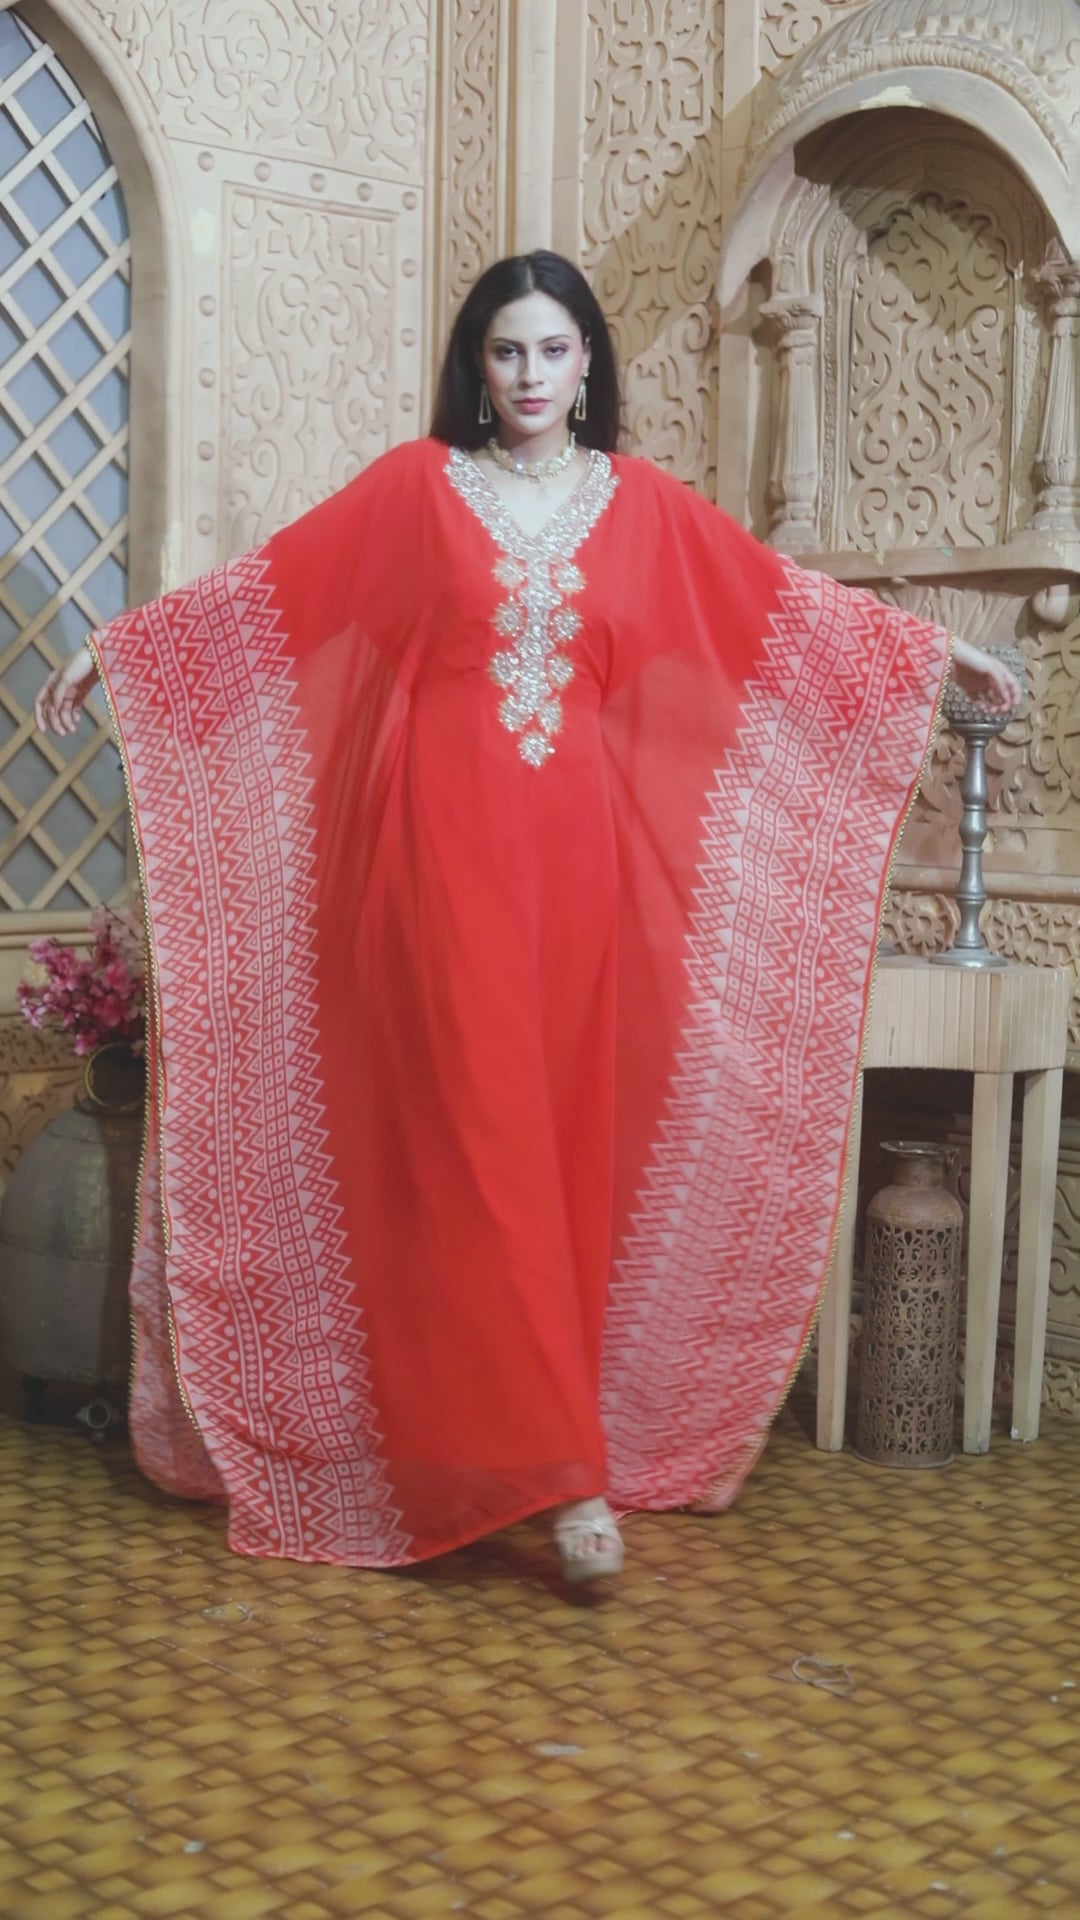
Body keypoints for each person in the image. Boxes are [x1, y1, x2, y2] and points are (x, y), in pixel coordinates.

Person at [37, 252, 1020, 1584]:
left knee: (554, 1161)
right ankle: (566, 1487)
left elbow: (778, 611)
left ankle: (508, 1450)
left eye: (554, 350)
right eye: (507, 352)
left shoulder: (644, 506)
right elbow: (266, 598)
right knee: (477, 1144)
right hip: (435, 875)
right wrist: (116, 653)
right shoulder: (416, 491)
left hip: (578, 889)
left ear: (589, 362)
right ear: (478, 366)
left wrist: (933, 655)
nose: (531, 376)